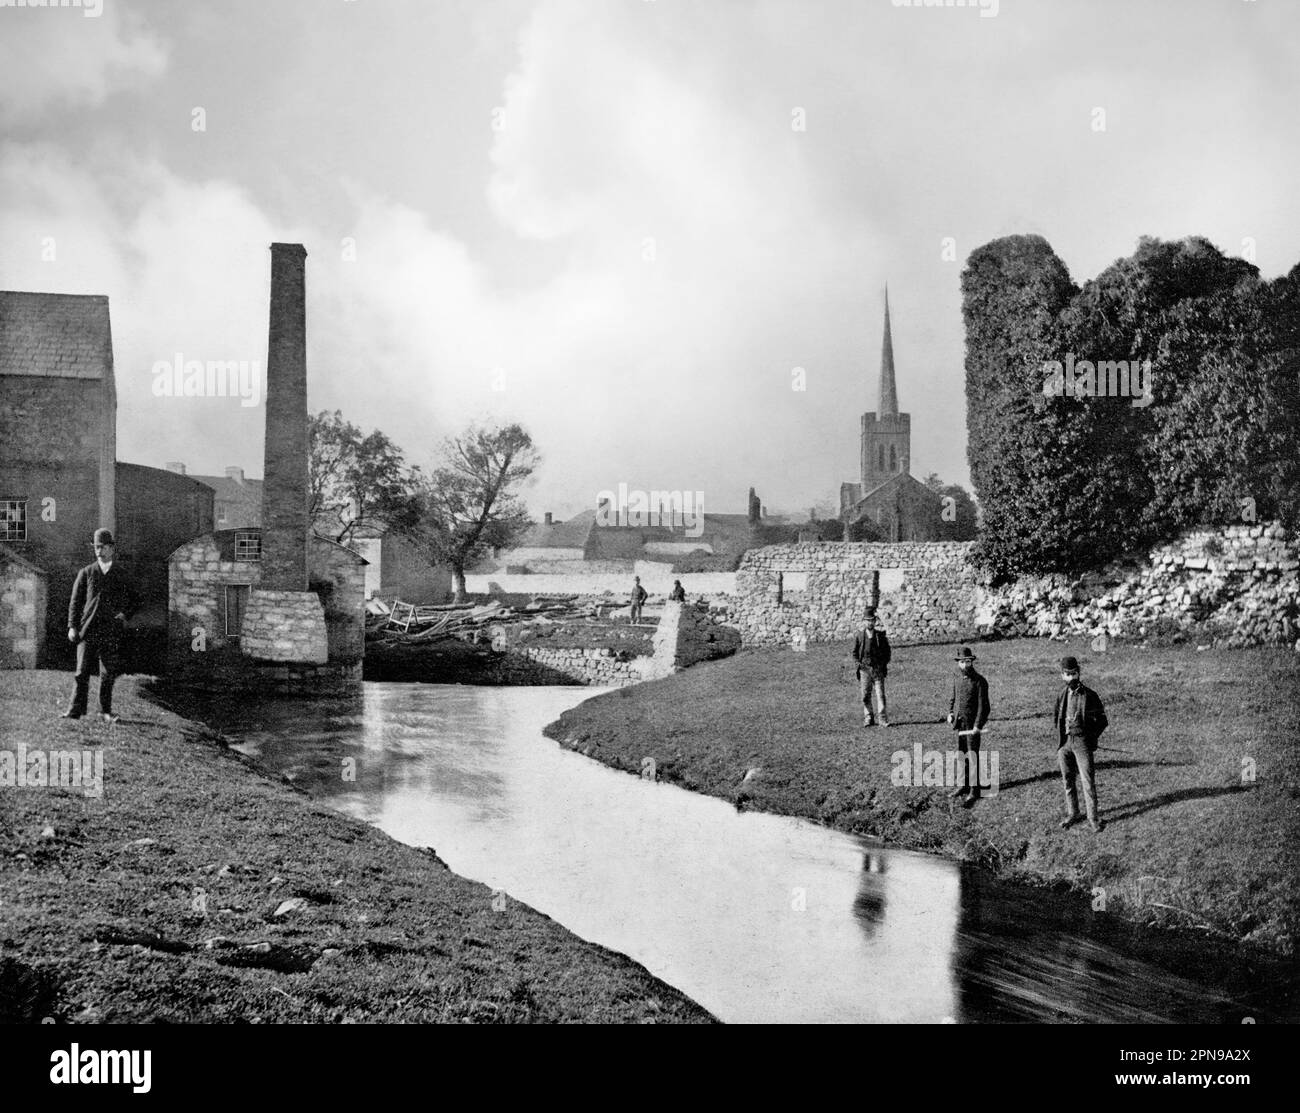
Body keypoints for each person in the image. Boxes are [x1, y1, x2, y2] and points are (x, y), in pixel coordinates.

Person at [62, 528, 140, 724]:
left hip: (110, 631)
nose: (99, 551)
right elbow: (75, 602)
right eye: (97, 547)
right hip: (87, 630)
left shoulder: (121, 574)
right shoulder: (86, 572)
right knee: (81, 672)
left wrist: (125, 614)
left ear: (111, 549)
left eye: (103, 547)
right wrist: (72, 626)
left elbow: (136, 598)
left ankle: (104, 711)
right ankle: (75, 710)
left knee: (108, 673)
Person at [1053, 655, 1107, 833]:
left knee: (1087, 782)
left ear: (1079, 673)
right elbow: (1057, 718)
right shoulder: (1062, 694)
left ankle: (1093, 818)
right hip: (1064, 744)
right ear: (1062, 675)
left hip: (1082, 743)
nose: (1071, 678)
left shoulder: (1090, 695)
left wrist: (1090, 738)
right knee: (1068, 780)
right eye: (1067, 674)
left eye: (1074, 673)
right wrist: (1062, 739)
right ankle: (1073, 813)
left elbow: (1102, 721)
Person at [947, 647, 990, 806]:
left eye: (968, 662)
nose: (965, 665)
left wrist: (978, 725)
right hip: (961, 724)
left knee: (972, 756)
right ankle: (963, 785)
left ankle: (974, 790)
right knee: (962, 754)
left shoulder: (979, 681)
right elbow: (953, 698)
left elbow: (984, 707)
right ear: (958, 663)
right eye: (962, 662)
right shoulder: (957, 678)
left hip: (972, 727)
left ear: (972, 662)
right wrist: (950, 713)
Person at [850, 607, 891, 727]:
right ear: (864, 621)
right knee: (865, 695)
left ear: (875, 621)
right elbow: (854, 653)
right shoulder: (859, 636)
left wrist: (883, 664)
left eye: (872, 620)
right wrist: (858, 664)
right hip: (864, 670)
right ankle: (868, 717)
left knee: (880, 695)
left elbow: (887, 652)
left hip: (877, 669)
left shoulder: (880, 636)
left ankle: (882, 719)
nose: (870, 623)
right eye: (867, 620)